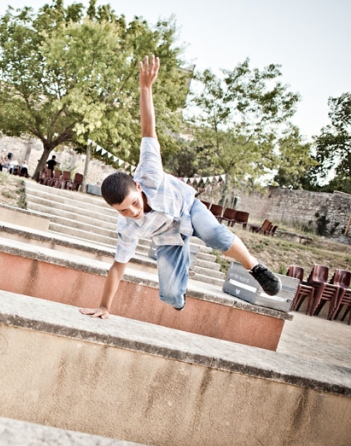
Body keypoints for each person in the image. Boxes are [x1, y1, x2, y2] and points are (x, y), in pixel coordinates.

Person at [79, 56, 281, 318]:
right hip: (168, 237)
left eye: (135, 204)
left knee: (215, 236)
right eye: (124, 211)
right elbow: (118, 266)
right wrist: (105, 307)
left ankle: (255, 267)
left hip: (188, 208)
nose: (133, 213)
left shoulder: (149, 171)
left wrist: (145, 88)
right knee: (172, 297)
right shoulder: (127, 226)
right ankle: (179, 287)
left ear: (139, 187)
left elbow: (147, 129)